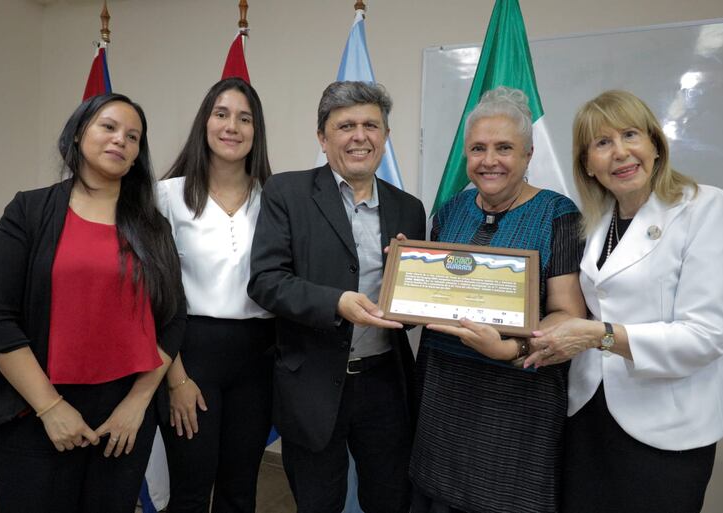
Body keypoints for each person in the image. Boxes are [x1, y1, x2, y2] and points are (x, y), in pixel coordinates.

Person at [0, 93, 186, 513]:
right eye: (108, 127)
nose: (120, 141)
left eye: (133, 137)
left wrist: (137, 403)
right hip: (35, 412)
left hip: (122, 418)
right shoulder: (29, 210)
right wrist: (50, 408)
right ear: (77, 134)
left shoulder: (153, 228)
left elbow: (172, 319)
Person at [526, 90, 723, 513]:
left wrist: (597, 336)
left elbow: (705, 336)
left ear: (655, 145)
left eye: (630, 135)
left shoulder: (705, 207)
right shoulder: (596, 223)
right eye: (601, 143)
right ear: (587, 164)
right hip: (588, 415)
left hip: (665, 427)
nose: (619, 153)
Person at [247, 81, 426, 513]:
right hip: (312, 382)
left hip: (385, 383)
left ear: (385, 136)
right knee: (318, 502)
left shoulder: (410, 208)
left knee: (390, 500)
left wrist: (411, 282)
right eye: (345, 126)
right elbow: (266, 281)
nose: (359, 136)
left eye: (371, 125)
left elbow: (414, 308)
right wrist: (336, 303)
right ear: (323, 138)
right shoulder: (287, 193)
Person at [408, 86, 587, 513]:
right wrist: (406, 273)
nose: (489, 160)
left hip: (516, 404)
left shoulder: (558, 214)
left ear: (527, 154)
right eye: (478, 148)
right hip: (444, 396)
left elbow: (568, 316)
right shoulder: (450, 211)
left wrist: (510, 349)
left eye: (504, 148)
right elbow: (430, 295)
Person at [156, 77, 275, 513]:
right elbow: (154, 298)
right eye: (221, 114)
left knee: (240, 490)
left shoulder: (274, 199)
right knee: (189, 490)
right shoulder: (166, 196)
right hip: (189, 355)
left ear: (256, 131)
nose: (232, 126)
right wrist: (176, 378)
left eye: (245, 118)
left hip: (257, 359)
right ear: (204, 123)